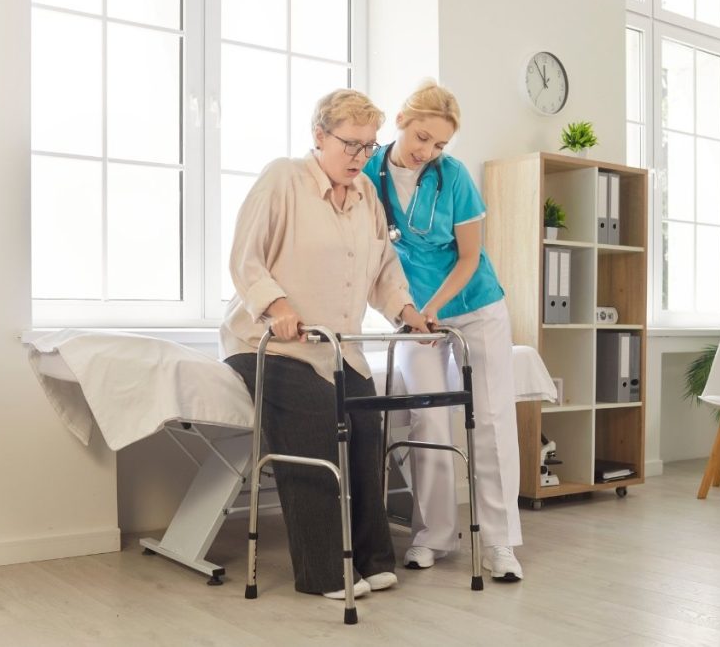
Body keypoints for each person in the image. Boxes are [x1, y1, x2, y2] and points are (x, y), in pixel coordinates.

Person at [221, 88, 429, 599]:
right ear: (319, 136)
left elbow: (383, 268)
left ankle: (372, 560)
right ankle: (325, 572)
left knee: (365, 424)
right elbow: (245, 259)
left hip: (336, 347)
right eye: (350, 145)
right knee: (318, 420)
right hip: (270, 343)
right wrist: (278, 306)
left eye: (368, 147)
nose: (360, 157)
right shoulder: (283, 179)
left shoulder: (367, 198)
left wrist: (406, 311)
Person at [363, 80, 524, 581]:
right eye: (422, 138)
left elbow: (470, 257)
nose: (428, 151)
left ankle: (500, 543)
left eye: (440, 144)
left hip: (475, 305)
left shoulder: (452, 177)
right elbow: (371, 257)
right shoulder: (367, 174)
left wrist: (429, 308)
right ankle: (432, 536)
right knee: (429, 418)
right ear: (401, 122)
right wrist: (407, 314)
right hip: (413, 316)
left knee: (492, 417)